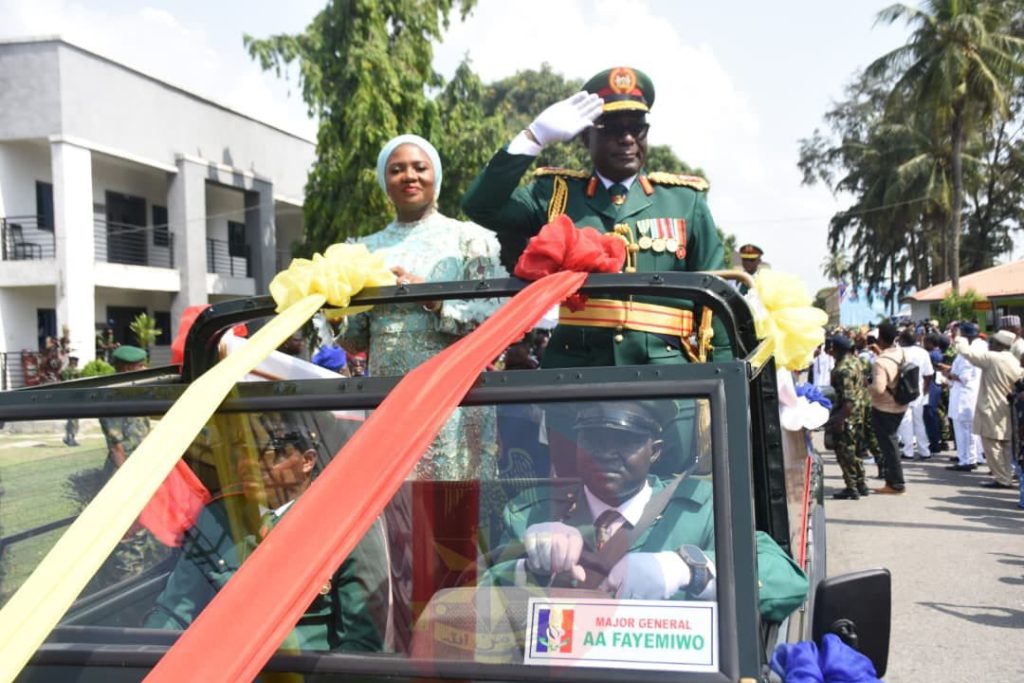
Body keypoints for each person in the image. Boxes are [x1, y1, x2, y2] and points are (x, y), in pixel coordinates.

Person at [462, 66, 730, 367]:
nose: (627, 138)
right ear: (583, 138)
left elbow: (716, 299)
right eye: (612, 129)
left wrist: (724, 378)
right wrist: (533, 137)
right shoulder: (556, 195)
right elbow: (480, 205)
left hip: (667, 378)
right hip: (576, 373)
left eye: (637, 128)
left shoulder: (684, 201)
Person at [485, 401, 808, 623]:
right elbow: (472, 601)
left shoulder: (701, 508)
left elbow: (783, 579)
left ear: (655, 452)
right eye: (593, 439)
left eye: (625, 441)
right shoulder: (533, 511)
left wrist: (684, 570)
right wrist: (527, 566)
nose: (606, 454)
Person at [337, 134, 507, 481]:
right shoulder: (362, 249)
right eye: (397, 170)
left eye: (419, 167)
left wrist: (433, 299)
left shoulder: (470, 239)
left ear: (436, 177)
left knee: (453, 515)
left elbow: (492, 323)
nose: (409, 176)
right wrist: (336, 315)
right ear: (385, 182)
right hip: (389, 400)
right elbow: (355, 341)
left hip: (453, 400)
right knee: (393, 508)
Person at [144, 411, 390, 651]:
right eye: (243, 452)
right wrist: (144, 660)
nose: (248, 464)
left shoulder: (347, 524)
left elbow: (360, 643)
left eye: (266, 453)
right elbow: (175, 611)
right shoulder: (218, 518)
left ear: (307, 460)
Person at [954, 330, 1024, 489]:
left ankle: (1002, 479)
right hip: (1006, 407)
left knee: (992, 444)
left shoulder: (993, 358)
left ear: (1000, 345)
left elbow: (967, 353)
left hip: (991, 407)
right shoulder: (1012, 360)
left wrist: (959, 338)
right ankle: (1006, 474)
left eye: (992, 342)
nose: (989, 345)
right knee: (1005, 444)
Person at [867, 322, 910, 494]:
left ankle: (896, 484)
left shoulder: (880, 362)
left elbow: (878, 388)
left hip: (885, 408)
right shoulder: (901, 352)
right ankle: (893, 482)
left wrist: (866, 386)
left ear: (880, 339)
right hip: (901, 403)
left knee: (889, 447)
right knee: (891, 444)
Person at [827, 335, 870, 500]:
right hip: (859, 413)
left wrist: (840, 419)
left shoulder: (843, 369)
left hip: (847, 414)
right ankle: (861, 483)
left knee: (845, 452)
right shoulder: (855, 361)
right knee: (856, 451)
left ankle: (851, 487)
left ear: (836, 349)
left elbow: (848, 399)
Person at [99, 345, 150, 471]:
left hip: (142, 464)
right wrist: (126, 479)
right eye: (141, 366)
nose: (145, 369)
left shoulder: (134, 394)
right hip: (125, 468)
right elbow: (116, 447)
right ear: (128, 369)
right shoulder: (113, 399)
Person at [944, 323, 984, 472]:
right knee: (966, 430)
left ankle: (967, 460)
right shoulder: (974, 350)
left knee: (965, 430)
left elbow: (964, 377)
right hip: (964, 395)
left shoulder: (968, 354)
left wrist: (948, 374)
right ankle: (967, 456)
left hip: (965, 396)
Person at [895, 327, 935, 461]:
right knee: (919, 421)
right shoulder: (923, 352)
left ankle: (908, 451)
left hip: (902, 390)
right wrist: (925, 389)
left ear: (903, 340)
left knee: (906, 421)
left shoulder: (898, 352)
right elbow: (929, 374)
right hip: (919, 390)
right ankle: (924, 450)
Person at [61, 355, 81, 447]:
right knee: (73, 420)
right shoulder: (76, 372)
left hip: (67, 398)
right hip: (74, 398)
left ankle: (68, 438)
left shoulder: (64, 371)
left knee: (70, 420)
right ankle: (70, 438)